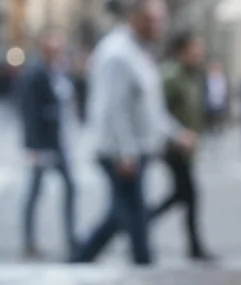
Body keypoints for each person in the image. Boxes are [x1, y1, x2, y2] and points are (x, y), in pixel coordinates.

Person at [72, 0, 195, 266]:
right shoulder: (118, 53)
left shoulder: (139, 52)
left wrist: (175, 133)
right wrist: (125, 152)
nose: (160, 26)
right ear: (138, 18)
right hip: (120, 152)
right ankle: (134, 265)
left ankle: (85, 261)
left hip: (135, 150)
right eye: (155, 20)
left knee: (125, 216)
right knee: (129, 216)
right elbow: (113, 108)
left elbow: (149, 107)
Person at [148, 32, 213, 261]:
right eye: (196, 48)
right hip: (173, 147)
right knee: (189, 196)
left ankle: (140, 223)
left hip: (186, 148)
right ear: (183, 50)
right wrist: (176, 135)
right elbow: (156, 111)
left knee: (182, 195)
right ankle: (195, 248)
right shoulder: (171, 75)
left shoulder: (192, 75)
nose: (200, 52)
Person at [19, 28, 77, 260]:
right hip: (42, 144)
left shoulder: (58, 71)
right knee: (35, 192)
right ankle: (29, 241)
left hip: (57, 141)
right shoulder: (35, 73)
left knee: (70, 187)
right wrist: (31, 147)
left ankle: (71, 237)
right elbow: (28, 112)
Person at [203, 58, 229, 134]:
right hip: (209, 103)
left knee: (219, 120)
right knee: (210, 120)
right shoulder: (207, 78)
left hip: (220, 103)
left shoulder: (223, 78)